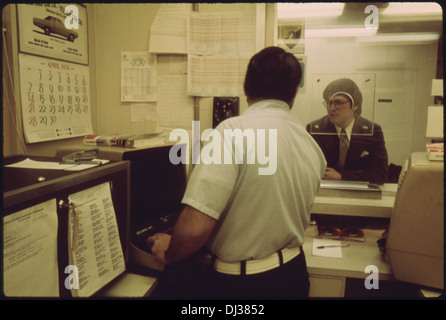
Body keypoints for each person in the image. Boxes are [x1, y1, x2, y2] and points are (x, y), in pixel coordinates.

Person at [146, 46, 326, 299]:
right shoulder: (311, 144)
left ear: (246, 86)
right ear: (294, 92)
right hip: (293, 276)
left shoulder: (232, 131)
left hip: (245, 286)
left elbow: (195, 228)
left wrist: (170, 251)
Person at [306, 78, 389, 184]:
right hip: (325, 191)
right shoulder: (315, 129)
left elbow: (380, 175)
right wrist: (359, 173)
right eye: (328, 102)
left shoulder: (372, 131)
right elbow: (309, 170)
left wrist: (342, 176)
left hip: (360, 195)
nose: (331, 108)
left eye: (338, 102)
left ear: (355, 105)